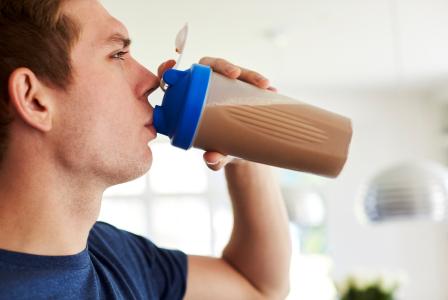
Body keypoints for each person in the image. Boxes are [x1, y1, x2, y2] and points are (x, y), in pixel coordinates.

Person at [0, 0, 291, 299]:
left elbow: (258, 286)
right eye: (117, 54)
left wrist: (243, 149)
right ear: (33, 100)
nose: (153, 80)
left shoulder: (114, 255)